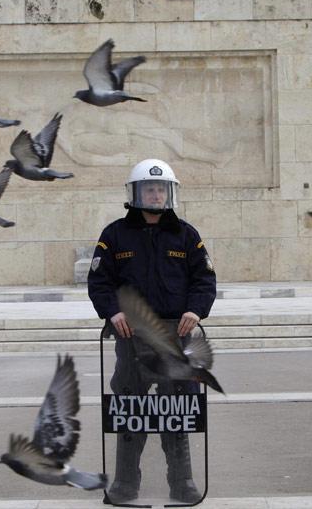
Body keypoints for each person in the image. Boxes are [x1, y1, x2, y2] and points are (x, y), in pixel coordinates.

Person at [88, 159, 216, 504]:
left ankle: (183, 484)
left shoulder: (186, 235)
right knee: (131, 413)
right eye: (149, 188)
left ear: (169, 192)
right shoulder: (115, 235)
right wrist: (112, 312)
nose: (156, 194)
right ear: (136, 193)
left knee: (176, 413)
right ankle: (125, 486)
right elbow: (100, 282)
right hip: (132, 340)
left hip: (177, 337)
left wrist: (195, 309)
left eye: (161, 188)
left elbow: (204, 279)